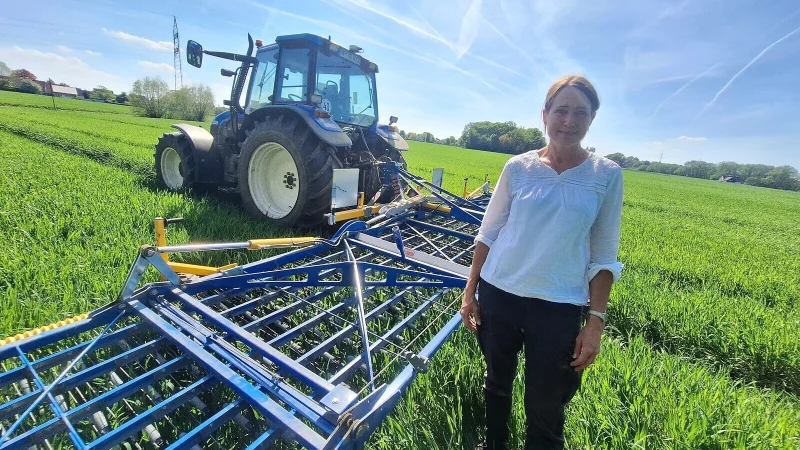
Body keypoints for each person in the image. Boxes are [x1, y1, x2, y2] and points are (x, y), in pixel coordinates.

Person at [460, 75, 624, 450]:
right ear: (545, 115)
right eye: (561, 110)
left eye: (580, 112)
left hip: (558, 307)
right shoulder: (518, 167)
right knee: (497, 383)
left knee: (546, 404)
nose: (569, 121)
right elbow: (488, 232)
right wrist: (470, 291)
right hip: (500, 294)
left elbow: (603, 255)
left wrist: (595, 323)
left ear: (592, 119)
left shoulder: (606, 175)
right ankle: (494, 443)